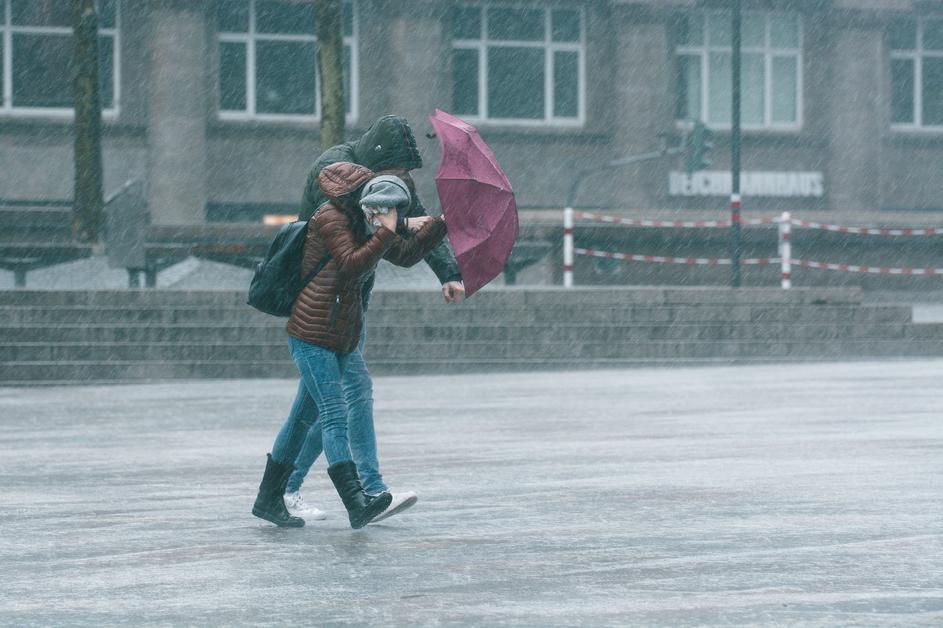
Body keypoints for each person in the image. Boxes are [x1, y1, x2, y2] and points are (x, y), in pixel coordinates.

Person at [282, 116, 462, 521]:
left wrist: (448, 270)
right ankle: (370, 490)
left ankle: (282, 489)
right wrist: (395, 226)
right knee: (350, 395)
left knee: (315, 408)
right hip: (321, 304)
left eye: (405, 174)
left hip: (348, 305)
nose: (402, 180)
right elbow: (342, 240)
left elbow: (408, 233)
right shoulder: (332, 172)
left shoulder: (389, 183)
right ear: (377, 162)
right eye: (396, 171)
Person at [251, 163, 448, 528]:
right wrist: (387, 230)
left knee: (300, 421)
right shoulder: (331, 218)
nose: (383, 216)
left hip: (339, 334)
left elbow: (403, 256)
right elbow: (352, 264)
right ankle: (356, 501)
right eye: (383, 208)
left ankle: (268, 499)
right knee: (334, 413)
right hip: (312, 333)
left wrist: (440, 225)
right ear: (364, 200)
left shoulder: (360, 221)